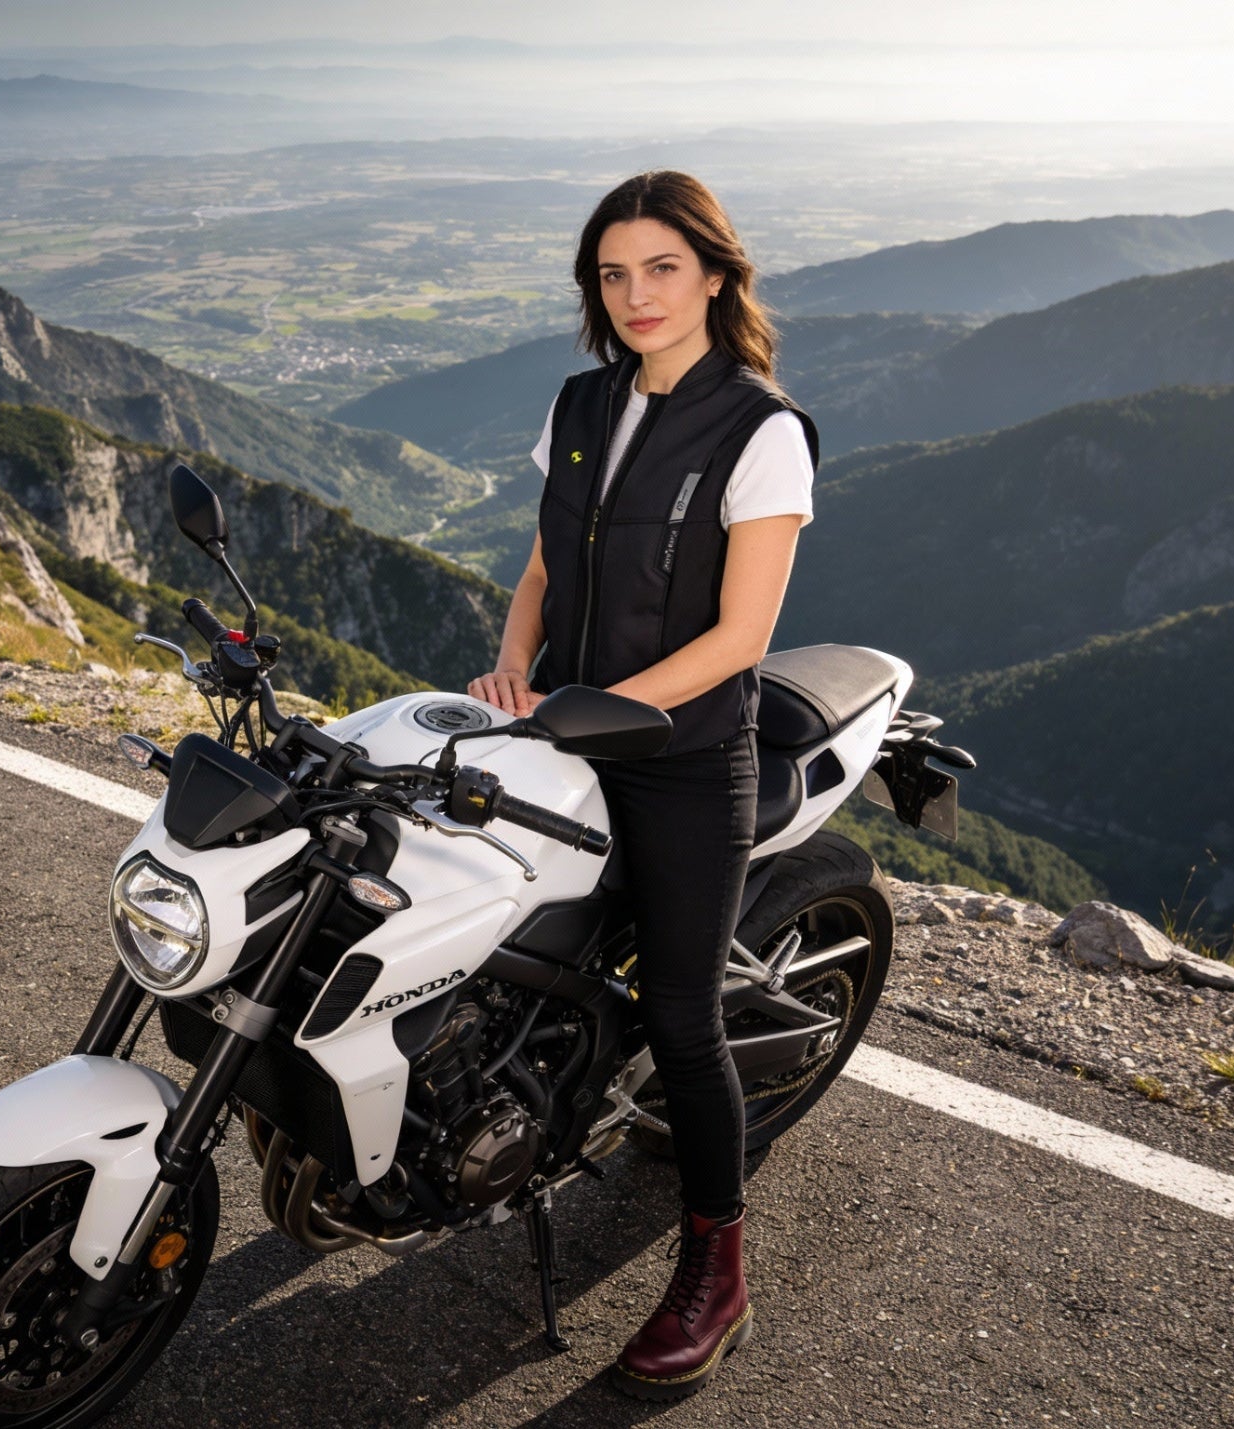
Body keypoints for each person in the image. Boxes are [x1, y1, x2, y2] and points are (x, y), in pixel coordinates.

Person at [468, 169, 815, 1401]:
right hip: (558, 730)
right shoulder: (578, 404)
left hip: (677, 759)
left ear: (716, 275)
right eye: (611, 275)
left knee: (682, 1017)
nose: (634, 295)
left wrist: (605, 708)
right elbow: (541, 571)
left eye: (660, 268)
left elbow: (739, 636)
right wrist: (514, 664)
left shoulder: (759, 430)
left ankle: (717, 1268)